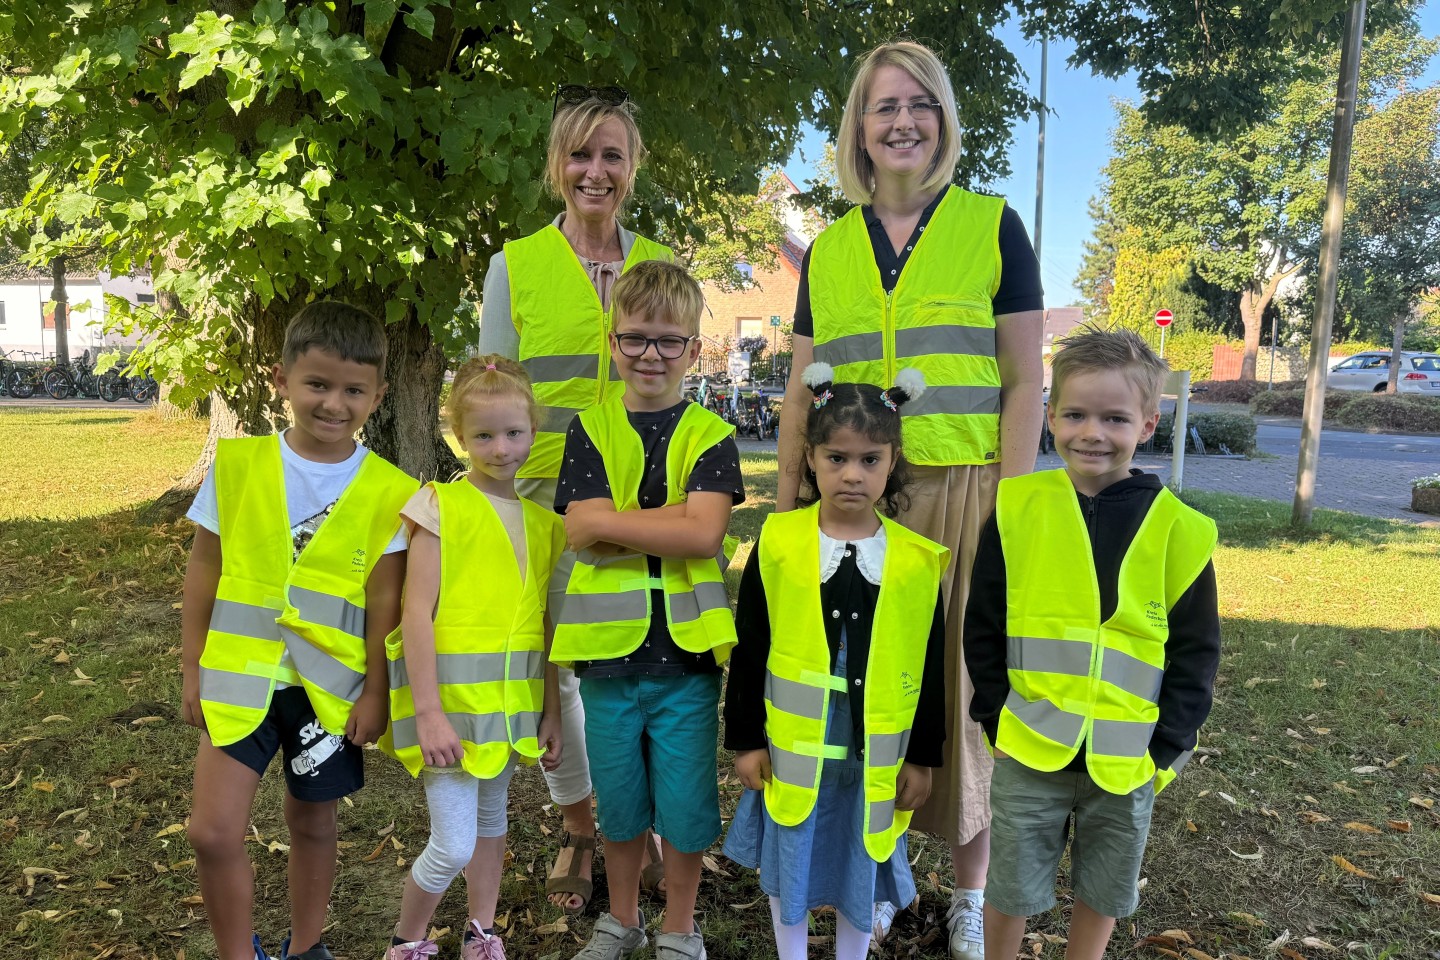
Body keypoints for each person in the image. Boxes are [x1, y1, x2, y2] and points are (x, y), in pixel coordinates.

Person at [773, 40, 1045, 957]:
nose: (903, 122)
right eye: (884, 105)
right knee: (854, 693)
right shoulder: (829, 250)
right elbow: (800, 398)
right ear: (859, 125)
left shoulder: (992, 225)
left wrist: (1014, 505)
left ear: (943, 119)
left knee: (959, 699)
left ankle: (967, 895)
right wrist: (783, 504)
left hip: (960, 495)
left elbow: (1022, 383)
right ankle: (874, 880)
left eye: (920, 103)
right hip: (848, 502)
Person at [963, 328, 1221, 960]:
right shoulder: (1018, 504)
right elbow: (984, 622)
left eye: (1114, 417)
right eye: (1074, 414)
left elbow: (1196, 651)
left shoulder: (1182, 532)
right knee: (1011, 885)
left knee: (1104, 891)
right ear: (1050, 416)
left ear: (1150, 423)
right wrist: (995, 713)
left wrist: (1168, 746)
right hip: (1029, 744)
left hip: (1128, 757)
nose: (1092, 433)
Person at [478, 84, 674, 913]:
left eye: (613, 155)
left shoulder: (659, 260)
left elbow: (672, 374)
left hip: (635, 498)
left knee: (636, 665)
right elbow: (492, 393)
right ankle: (582, 828)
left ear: (633, 167)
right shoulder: (512, 266)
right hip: (538, 503)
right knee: (553, 675)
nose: (596, 171)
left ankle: (646, 828)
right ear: (557, 165)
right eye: (581, 154)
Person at [180, 302, 417, 960]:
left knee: (313, 821)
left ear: (378, 395)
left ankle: (307, 947)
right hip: (237, 680)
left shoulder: (390, 490)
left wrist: (376, 691)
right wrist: (191, 666)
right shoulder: (240, 467)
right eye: (316, 384)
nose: (333, 403)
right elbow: (205, 566)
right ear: (281, 379)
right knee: (213, 832)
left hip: (329, 694)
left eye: (352, 390)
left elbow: (384, 599)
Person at [723, 363, 950, 960]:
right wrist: (746, 739)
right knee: (791, 858)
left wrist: (924, 757)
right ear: (812, 458)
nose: (852, 474)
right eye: (836, 458)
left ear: (893, 460)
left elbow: (929, 666)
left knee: (861, 858)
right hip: (795, 747)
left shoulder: (917, 561)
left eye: (870, 460)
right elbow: (749, 649)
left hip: (873, 752)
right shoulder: (777, 542)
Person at [551, 259, 744, 960]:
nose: (650, 355)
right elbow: (577, 530)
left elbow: (703, 534)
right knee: (621, 801)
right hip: (606, 660)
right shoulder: (589, 428)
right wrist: (663, 518)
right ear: (613, 342)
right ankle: (623, 920)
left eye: (668, 341)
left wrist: (616, 523)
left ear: (694, 349)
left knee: (687, 806)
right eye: (635, 339)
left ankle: (679, 929)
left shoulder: (711, 436)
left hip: (687, 661)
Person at [380, 355, 567, 960]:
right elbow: (416, 612)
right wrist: (428, 712)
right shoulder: (439, 506)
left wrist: (552, 714)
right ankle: (407, 942)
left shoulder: (544, 524)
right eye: (483, 435)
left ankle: (480, 933)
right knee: (454, 843)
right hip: (452, 713)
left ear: (533, 433)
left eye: (514, 433)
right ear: (460, 437)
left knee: (492, 826)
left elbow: (543, 626)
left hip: (510, 714)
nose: (500, 447)